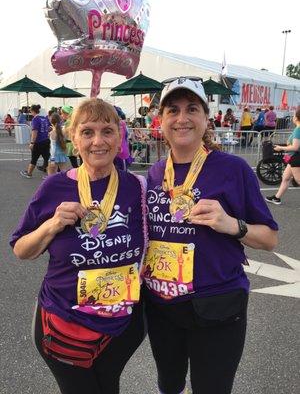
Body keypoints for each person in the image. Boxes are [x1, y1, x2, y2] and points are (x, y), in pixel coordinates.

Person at [143, 77, 278, 394]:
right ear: (160, 120)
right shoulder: (153, 172)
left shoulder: (233, 169)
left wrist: (233, 225)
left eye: (192, 108)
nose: (182, 118)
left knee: (212, 388)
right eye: (172, 110)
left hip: (217, 303)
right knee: (169, 384)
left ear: (206, 117)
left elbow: (270, 238)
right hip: (162, 305)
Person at [10, 98, 147, 394]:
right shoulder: (54, 187)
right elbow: (21, 249)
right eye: (87, 132)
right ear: (73, 139)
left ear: (119, 136)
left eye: (107, 131)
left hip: (122, 326)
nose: (98, 141)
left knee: (108, 386)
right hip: (64, 323)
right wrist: (52, 224)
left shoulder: (137, 187)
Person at [265, 106, 300, 205]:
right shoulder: (298, 129)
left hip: (296, 157)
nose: (292, 117)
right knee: (286, 177)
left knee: (298, 180)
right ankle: (277, 198)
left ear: (296, 118)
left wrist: (281, 148)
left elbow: (295, 147)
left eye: (293, 115)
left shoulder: (298, 130)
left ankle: (276, 198)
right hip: (294, 157)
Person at [20, 105, 50, 178]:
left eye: (30, 110)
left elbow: (35, 132)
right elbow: (49, 128)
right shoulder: (44, 118)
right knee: (47, 158)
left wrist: (32, 143)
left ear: (32, 111)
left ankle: (29, 173)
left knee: (34, 158)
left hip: (38, 142)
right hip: (46, 140)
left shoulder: (35, 119)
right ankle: (51, 174)